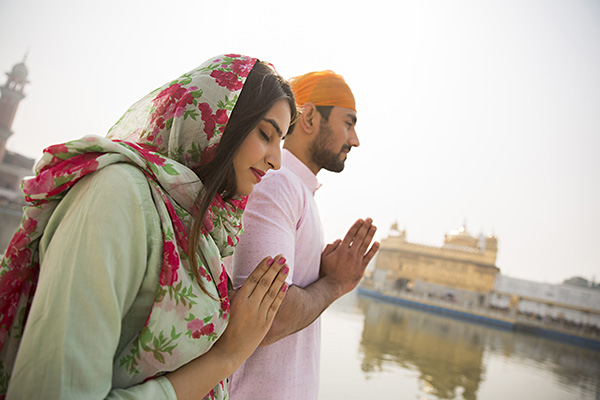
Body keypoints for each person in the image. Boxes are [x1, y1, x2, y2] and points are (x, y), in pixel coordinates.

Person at [0, 54, 298, 400]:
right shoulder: (118, 195)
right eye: (266, 134)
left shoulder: (198, 227)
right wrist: (226, 355)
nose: (276, 161)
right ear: (217, 121)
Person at [228, 70, 380, 399]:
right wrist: (334, 284)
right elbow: (269, 317)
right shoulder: (278, 184)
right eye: (349, 123)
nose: (354, 140)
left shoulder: (297, 191)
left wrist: (320, 275)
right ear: (309, 117)